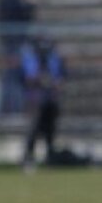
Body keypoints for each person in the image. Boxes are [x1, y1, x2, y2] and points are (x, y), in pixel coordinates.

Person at [20, 35, 66, 170]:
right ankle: (28, 157)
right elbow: (28, 78)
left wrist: (54, 83)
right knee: (34, 128)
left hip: (51, 98)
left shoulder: (54, 58)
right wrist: (40, 80)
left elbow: (61, 77)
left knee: (50, 129)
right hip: (35, 99)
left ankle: (50, 157)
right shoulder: (30, 58)